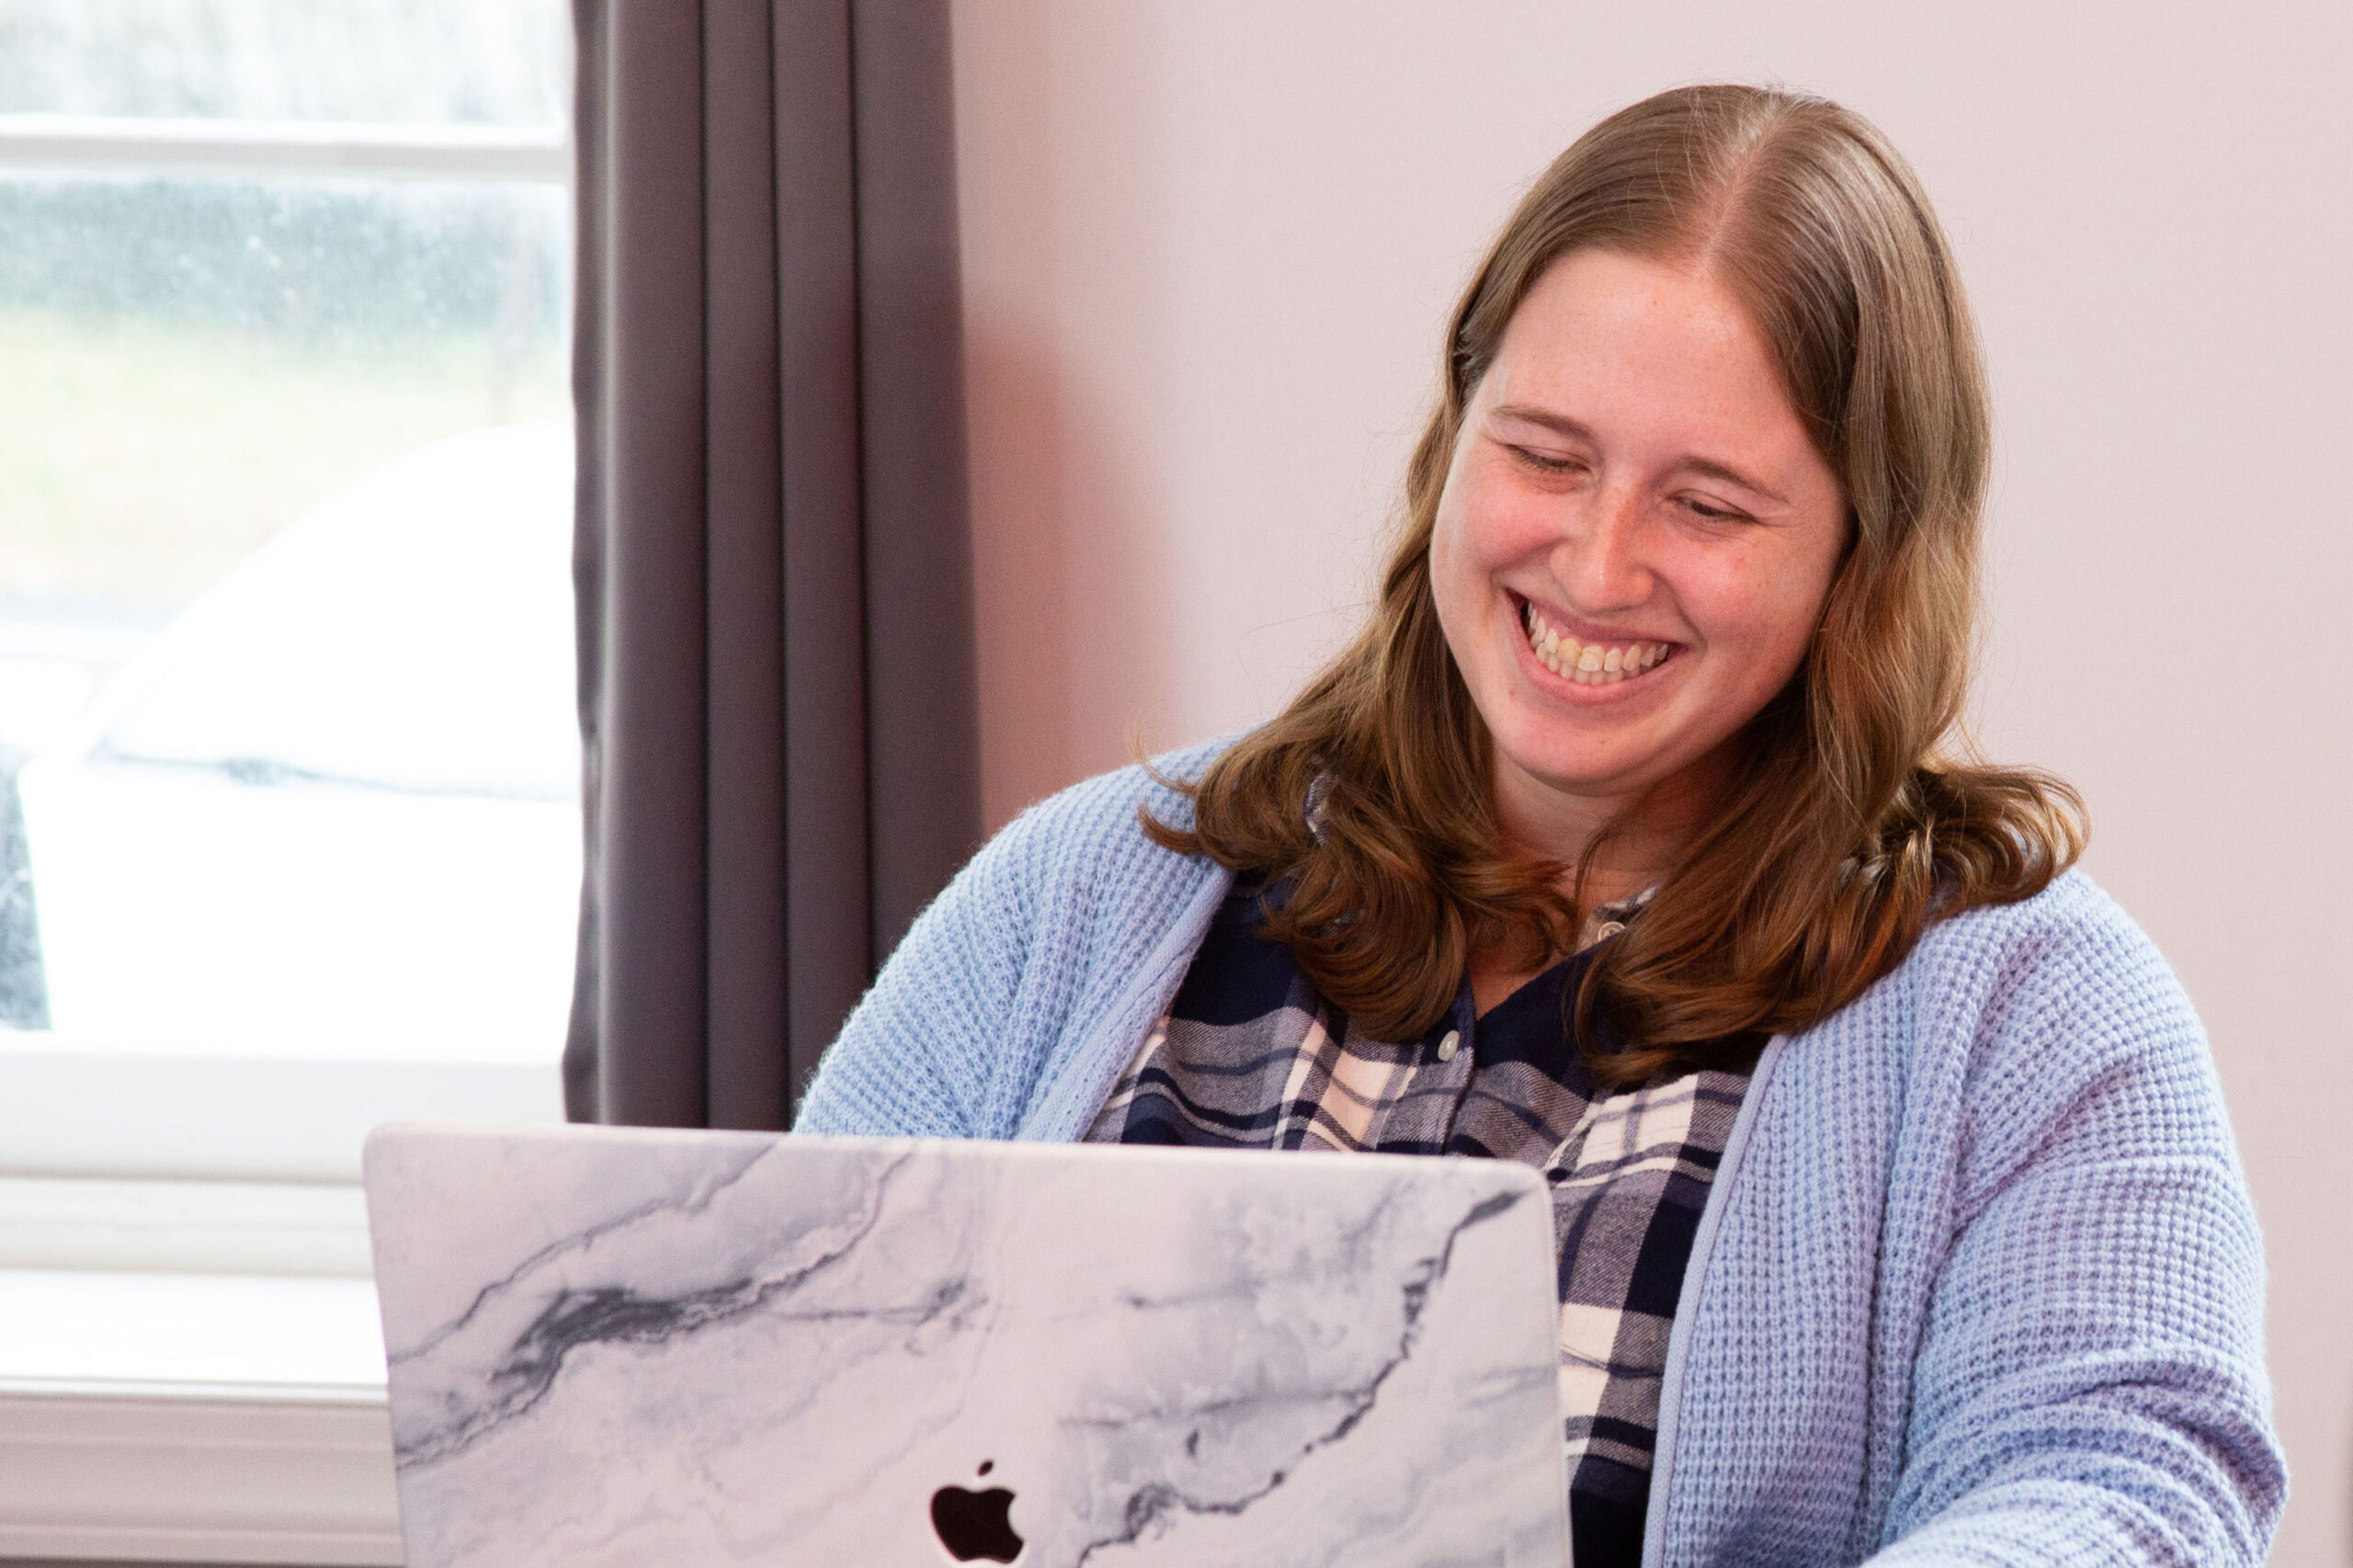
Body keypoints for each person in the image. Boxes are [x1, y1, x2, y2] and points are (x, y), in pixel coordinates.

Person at [799, 83, 2285, 1567]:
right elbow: (775, 1369)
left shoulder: (2038, 1013)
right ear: (1455, 432)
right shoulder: (1087, 889)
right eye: (1548, 454)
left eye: (1708, 506)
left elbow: (2132, 1488)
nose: (1597, 560)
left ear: (1863, 556)